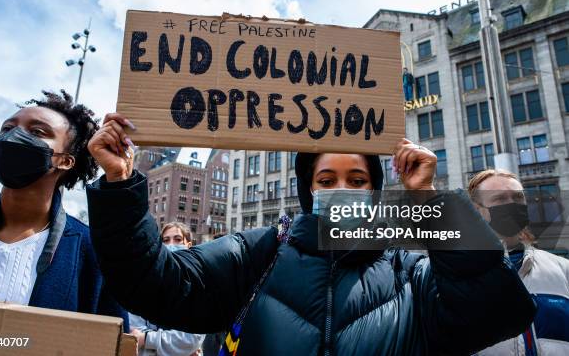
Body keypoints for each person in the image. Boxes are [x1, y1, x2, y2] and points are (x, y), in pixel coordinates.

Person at [86, 112, 536, 355]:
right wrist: (122, 185)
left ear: (374, 192)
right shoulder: (257, 253)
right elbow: (152, 282)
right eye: (326, 180)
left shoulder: (409, 270)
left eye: (357, 181)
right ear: (309, 190)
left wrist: (431, 201)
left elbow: (496, 313)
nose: (341, 191)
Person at [0, 90, 128, 330]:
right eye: (7, 129)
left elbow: (113, 340)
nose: (13, 137)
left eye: (37, 132)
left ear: (66, 160)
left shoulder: (93, 253)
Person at [468, 169, 569, 356]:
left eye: (518, 197)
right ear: (476, 210)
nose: (512, 205)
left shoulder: (563, 269)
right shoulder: (456, 276)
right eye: (499, 198)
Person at [130, 222, 205, 356]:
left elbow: (191, 339)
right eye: (165, 240)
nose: (171, 244)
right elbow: (134, 334)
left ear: (188, 245)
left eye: (177, 239)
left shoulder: (199, 286)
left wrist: (147, 339)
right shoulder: (143, 284)